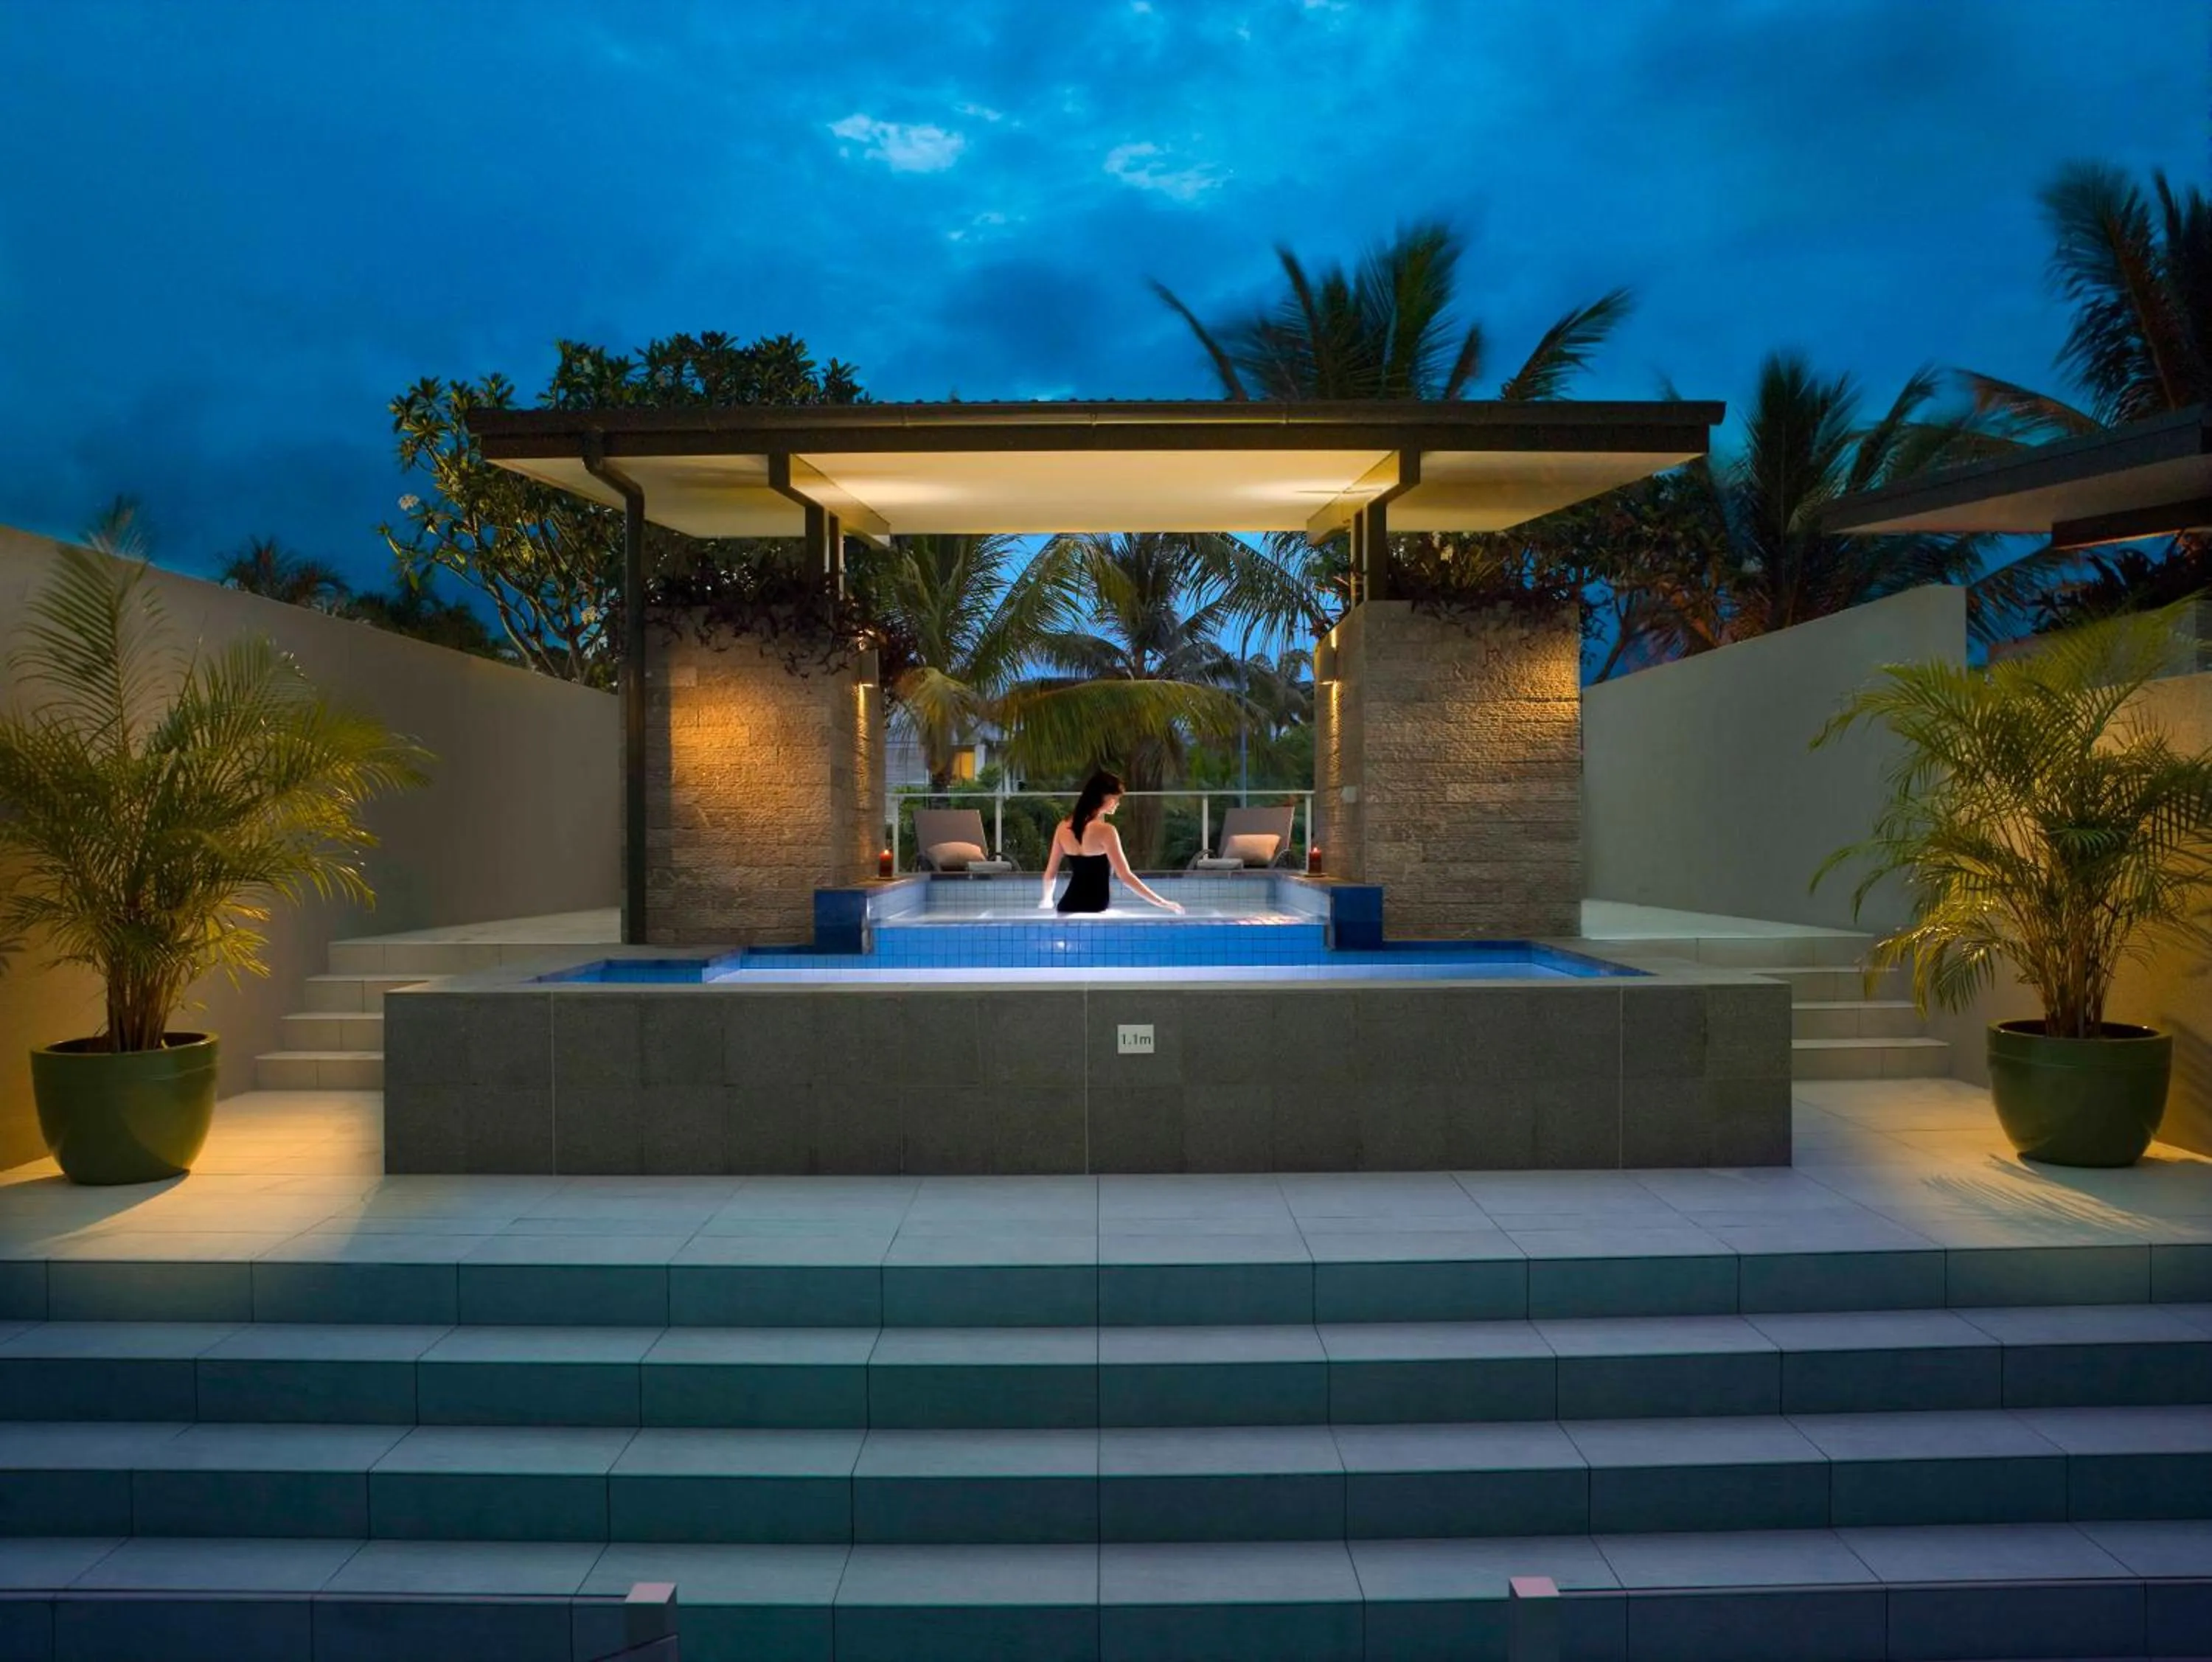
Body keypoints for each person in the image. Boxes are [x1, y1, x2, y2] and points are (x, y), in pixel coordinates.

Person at [1038, 771, 1186, 915]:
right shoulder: (1106, 831)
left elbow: (1050, 874)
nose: (1118, 804)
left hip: (1067, 906)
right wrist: (1162, 902)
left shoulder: (1062, 827)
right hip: (1095, 906)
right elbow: (1125, 876)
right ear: (1107, 798)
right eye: (1117, 799)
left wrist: (1047, 901)